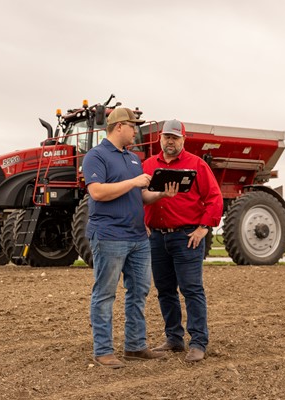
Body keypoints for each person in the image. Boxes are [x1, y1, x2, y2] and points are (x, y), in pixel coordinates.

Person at [82, 107, 177, 369]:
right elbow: (98, 193)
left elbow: (140, 196)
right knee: (105, 294)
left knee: (139, 292)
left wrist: (160, 195)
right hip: (109, 236)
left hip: (137, 237)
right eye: (133, 126)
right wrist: (134, 182)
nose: (136, 131)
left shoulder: (133, 158)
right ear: (119, 126)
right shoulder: (96, 156)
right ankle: (103, 351)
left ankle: (135, 346)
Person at [143, 119, 223, 362]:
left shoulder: (196, 164)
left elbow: (214, 197)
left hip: (186, 237)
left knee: (191, 289)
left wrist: (203, 228)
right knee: (165, 290)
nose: (170, 141)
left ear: (183, 140)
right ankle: (174, 338)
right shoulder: (147, 165)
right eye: (167, 136)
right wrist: (144, 223)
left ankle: (198, 342)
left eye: (175, 138)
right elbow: (137, 197)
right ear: (160, 138)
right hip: (157, 237)